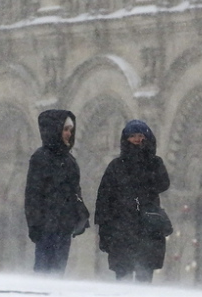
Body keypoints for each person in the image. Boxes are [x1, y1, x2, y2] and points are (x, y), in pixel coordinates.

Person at [95, 119, 171, 282]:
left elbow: (163, 184)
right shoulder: (116, 166)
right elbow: (104, 199)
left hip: (147, 226)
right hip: (121, 227)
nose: (137, 139)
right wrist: (104, 230)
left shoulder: (154, 163)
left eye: (141, 135)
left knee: (145, 274)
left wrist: (144, 163)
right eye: (133, 136)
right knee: (123, 275)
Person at [24, 109, 90, 274]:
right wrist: (35, 223)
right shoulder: (40, 158)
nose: (68, 134)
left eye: (70, 130)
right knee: (44, 270)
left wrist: (80, 214)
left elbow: (75, 192)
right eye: (65, 129)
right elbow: (33, 194)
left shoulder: (70, 161)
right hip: (46, 225)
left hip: (64, 225)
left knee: (58, 269)